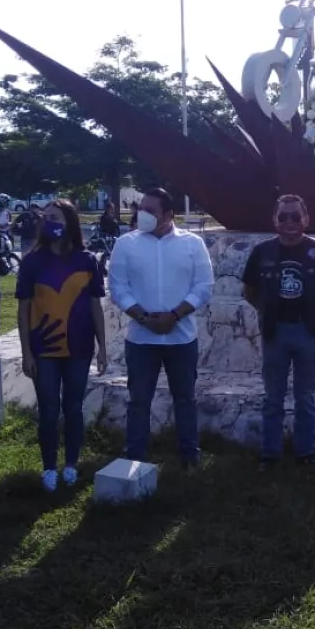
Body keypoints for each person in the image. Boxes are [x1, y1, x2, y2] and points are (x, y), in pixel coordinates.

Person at [108, 187, 213, 467]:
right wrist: (143, 317)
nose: (142, 215)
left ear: (169, 215)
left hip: (181, 337)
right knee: (139, 402)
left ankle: (189, 458)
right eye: (140, 209)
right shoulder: (126, 244)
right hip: (142, 339)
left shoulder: (193, 244)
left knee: (185, 401)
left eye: (150, 210)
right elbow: (118, 287)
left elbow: (203, 286)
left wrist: (175, 315)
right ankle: (135, 459)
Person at [242, 195, 315, 469]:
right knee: (273, 396)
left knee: (305, 396)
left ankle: (305, 452)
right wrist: (268, 311)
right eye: (283, 216)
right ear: (274, 220)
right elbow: (249, 291)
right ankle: (270, 454)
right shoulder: (262, 252)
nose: (289, 222)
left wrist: (313, 312)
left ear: (306, 219)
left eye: (295, 216)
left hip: (308, 331)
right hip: (275, 331)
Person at [16, 199, 108, 491]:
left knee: (74, 408)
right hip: (44, 349)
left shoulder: (87, 260)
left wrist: (102, 346)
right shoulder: (32, 261)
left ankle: (71, 464)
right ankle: (48, 468)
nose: (49, 222)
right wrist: (26, 352)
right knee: (48, 410)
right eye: (46, 217)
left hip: (80, 348)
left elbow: (96, 306)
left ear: (70, 221)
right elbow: (23, 309)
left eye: (55, 217)